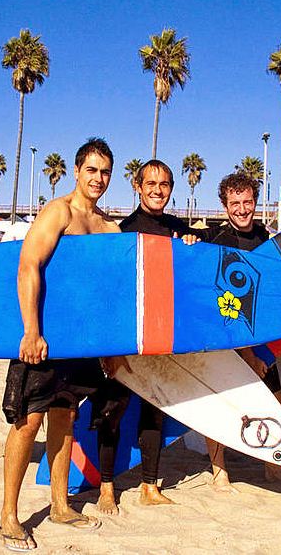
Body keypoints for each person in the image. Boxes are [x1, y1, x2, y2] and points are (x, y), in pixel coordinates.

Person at [0, 138, 118, 552]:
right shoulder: (59, 212)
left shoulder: (109, 227)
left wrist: (108, 348)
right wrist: (31, 331)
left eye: (105, 172)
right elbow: (29, 265)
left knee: (64, 416)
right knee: (27, 420)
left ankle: (60, 506)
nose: (98, 178)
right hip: (44, 337)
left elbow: (109, 294)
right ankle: (9, 516)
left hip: (80, 343)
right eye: (92, 170)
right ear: (77, 171)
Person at [92, 159, 200, 514]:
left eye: (164, 184)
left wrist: (192, 243)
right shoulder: (122, 232)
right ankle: (106, 488)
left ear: (171, 189)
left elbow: (196, 270)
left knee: (155, 409)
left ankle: (149, 486)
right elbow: (109, 292)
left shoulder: (178, 229)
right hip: (125, 337)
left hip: (161, 334)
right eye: (150, 183)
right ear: (137, 186)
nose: (157, 190)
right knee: (112, 411)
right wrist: (109, 347)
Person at [203, 172, 281, 489]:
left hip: (261, 336)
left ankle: (272, 466)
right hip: (228, 337)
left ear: (255, 202)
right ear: (225, 206)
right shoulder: (218, 242)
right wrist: (249, 353)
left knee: (276, 402)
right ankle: (219, 471)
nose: (242, 209)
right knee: (222, 404)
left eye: (247, 202)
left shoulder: (267, 240)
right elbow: (222, 303)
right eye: (235, 203)